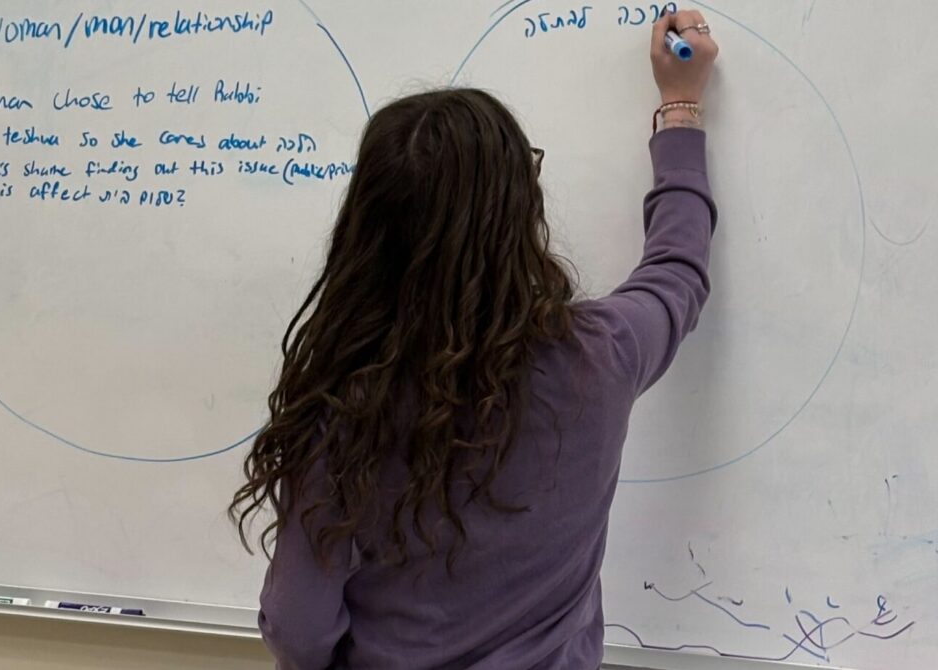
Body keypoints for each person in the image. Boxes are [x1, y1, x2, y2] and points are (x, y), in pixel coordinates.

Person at [231, 10, 719, 669]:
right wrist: (680, 106)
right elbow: (677, 272)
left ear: (367, 233)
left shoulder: (344, 416)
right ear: (520, 214)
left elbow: (298, 628)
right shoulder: (599, 358)